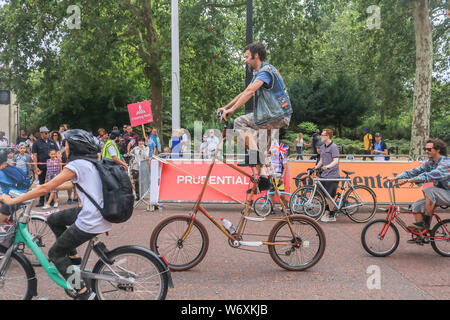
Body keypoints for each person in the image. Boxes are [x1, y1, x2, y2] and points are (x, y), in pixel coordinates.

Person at [0, 129, 108, 299]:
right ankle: (73, 258)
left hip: (91, 218)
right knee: (53, 219)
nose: (62, 149)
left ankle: (83, 292)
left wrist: (15, 200)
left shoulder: (77, 165)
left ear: (73, 147)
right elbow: (67, 186)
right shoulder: (89, 162)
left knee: (55, 254)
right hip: (97, 213)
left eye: (65, 145)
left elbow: (46, 187)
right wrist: (38, 190)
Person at [217, 42, 292, 192]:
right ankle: (263, 178)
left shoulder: (265, 72)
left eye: (246, 57)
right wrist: (226, 107)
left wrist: (231, 111)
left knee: (239, 123)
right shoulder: (264, 72)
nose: (245, 60)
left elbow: (250, 92)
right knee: (259, 146)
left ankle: (255, 157)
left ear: (255, 56)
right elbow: (244, 92)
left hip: (274, 115)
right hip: (279, 117)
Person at [387, 138, 449, 235]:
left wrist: (408, 181)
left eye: (429, 149)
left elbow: (429, 176)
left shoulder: (446, 163)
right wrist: (396, 177)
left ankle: (425, 224)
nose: (426, 151)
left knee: (429, 190)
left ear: (438, 150)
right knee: (416, 205)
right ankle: (422, 234)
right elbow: (414, 171)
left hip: (448, 194)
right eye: (425, 149)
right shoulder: (430, 162)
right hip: (441, 194)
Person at [313, 129, 340, 223]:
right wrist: (315, 168)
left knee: (329, 196)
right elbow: (321, 160)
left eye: (322, 135)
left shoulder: (334, 147)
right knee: (323, 195)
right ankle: (328, 211)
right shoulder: (322, 147)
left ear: (328, 136)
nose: (321, 136)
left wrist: (327, 166)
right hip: (324, 175)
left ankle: (332, 215)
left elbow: (336, 160)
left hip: (333, 175)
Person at [32, 126, 59, 207]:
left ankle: (52, 200)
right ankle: (41, 201)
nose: (47, 134)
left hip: (52, 167)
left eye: (47, 132)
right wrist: (36, 167)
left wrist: (58, 160)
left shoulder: (52, 142)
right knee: (42, 183)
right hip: (42, 166)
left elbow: (57, 152)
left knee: (53, 183)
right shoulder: (36, 143)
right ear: (41, 133)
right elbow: (34, 155)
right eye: (45, 133)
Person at [268, 140, 289, 214]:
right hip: (271, 177)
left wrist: (282, 177)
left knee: (282, 195)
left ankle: (287, 208)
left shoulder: (282, 157)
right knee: (271, 194)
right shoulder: (269, 157)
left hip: (279, 177)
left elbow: (285, 167)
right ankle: (272, 208)